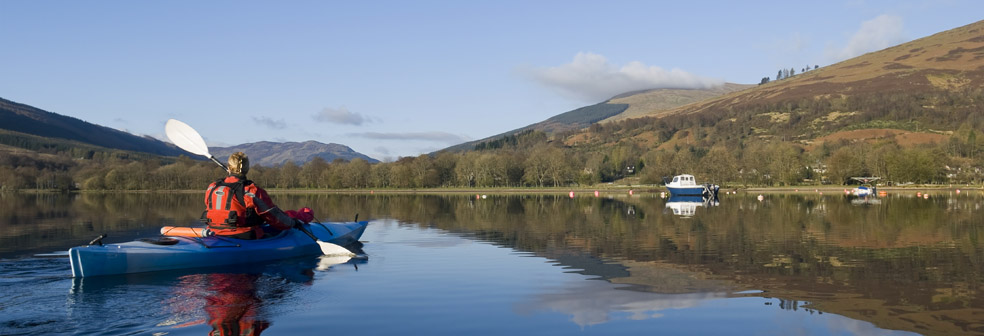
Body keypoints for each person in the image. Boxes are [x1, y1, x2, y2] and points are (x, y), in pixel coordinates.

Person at [203, 152, 297, 239]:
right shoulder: (252, 191)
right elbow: (274, 217)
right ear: (247, 168)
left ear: (229, 168)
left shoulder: (212, 187)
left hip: (212, 233)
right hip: (244, 235)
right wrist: (293, 223)